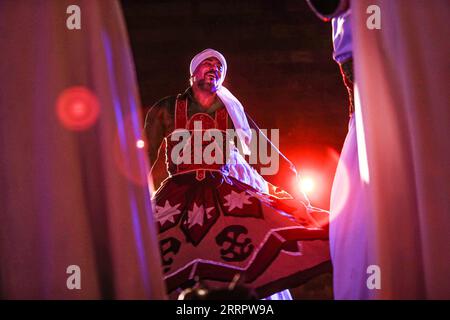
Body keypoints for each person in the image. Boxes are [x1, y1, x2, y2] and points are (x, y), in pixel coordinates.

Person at [144, 48, 330, 299]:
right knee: (153, 259)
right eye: (207, 63)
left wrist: (294, 189)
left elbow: (261, 150)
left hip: (222, 192)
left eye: (219, 66)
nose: (214, 68)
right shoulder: (166, 108)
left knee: (245, 252)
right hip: (177, 196)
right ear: (193, 73)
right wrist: (128, 200)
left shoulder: (230, 112)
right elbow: (143, 156)